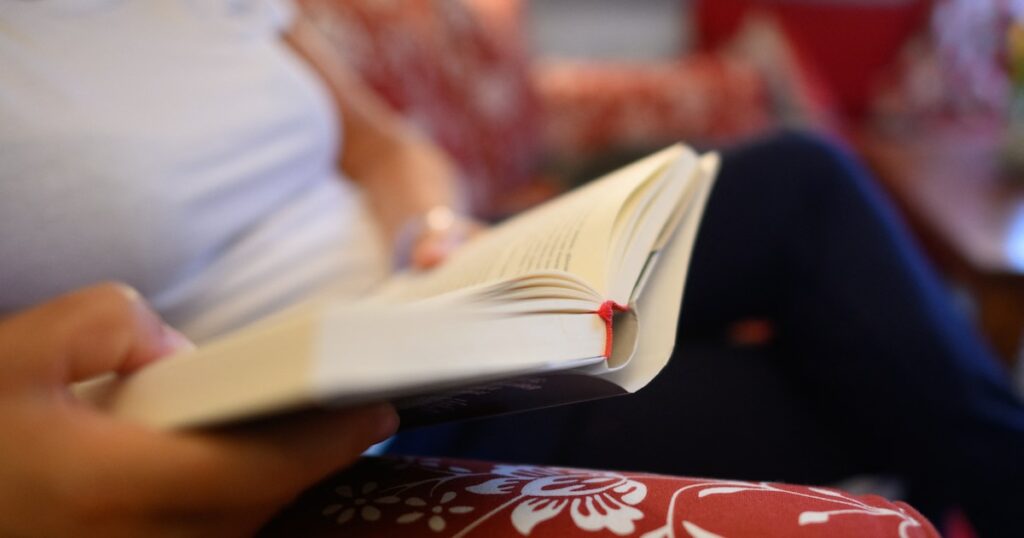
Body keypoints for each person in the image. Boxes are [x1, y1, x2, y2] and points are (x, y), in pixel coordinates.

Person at [0, 1, 1017, 536]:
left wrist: (436, 229)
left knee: (802, 190)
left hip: (437, 301)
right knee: (875, 378)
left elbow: (383, 146)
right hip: (319, 418)